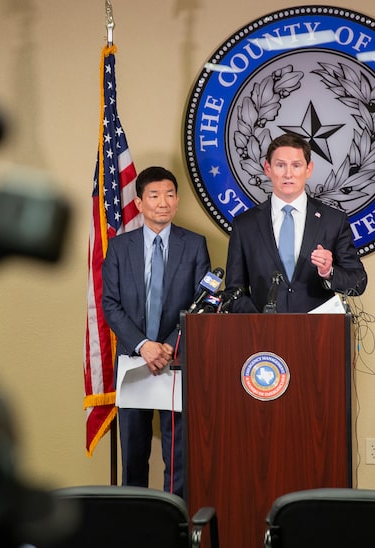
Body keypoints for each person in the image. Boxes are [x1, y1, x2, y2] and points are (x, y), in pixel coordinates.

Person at [102, 165, 211, 497]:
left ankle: (175, 526)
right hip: (134, 363)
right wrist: (143, 345)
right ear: (139, 203)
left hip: (175, 364)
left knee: (177, 457)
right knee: (133, 454)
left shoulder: (194, 245)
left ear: (177, 201)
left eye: (169, 195)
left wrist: (167, 346)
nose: (163, 202)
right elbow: (110, 304)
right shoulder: (120, 248)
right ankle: (134, 526)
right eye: (154, 195)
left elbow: (202, 303)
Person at [224, 133, 367, 313]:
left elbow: (358, 282)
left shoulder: (333, 220)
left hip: (320, 333)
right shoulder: (244, 224)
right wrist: (258, 322)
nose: (288, 174)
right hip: (262, 335)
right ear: (267, 168)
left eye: (296, 165)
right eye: (280, 165)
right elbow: (234, 292)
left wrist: (329, 272)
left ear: (309, 169)